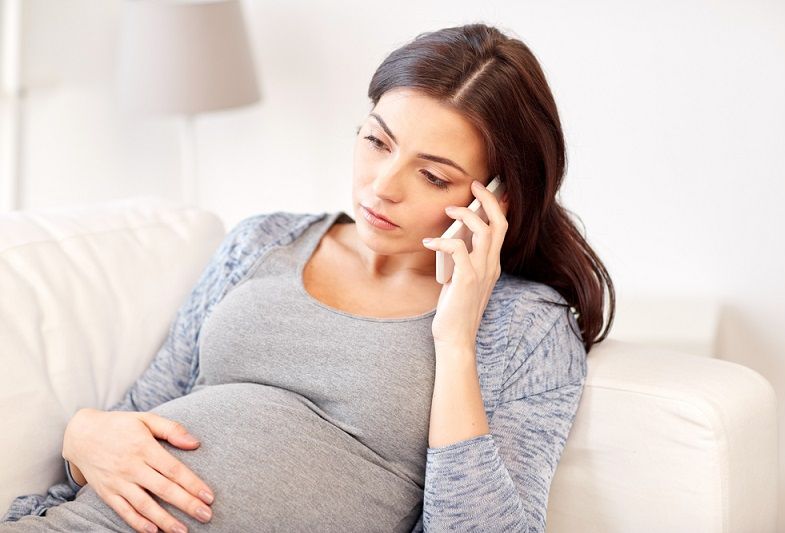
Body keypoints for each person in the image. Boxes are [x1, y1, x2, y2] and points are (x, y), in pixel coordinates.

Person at [1, 22, 614, 533]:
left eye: (432, 176)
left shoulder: (523, 327)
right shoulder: (263, 241)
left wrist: (455, 338)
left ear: (498, 200)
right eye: (378, 141)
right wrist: (83, 436)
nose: (382, 186)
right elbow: (138, 415)